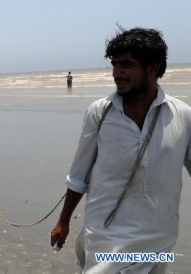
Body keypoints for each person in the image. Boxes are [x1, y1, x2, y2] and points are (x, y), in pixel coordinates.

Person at [50, 28, 191, 273]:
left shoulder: (182, 116)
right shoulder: (100, 113)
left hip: (159, 240)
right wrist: (64, 221)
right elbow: (79, 174)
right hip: (106, 237)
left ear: (152, 68)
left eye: (126, 65)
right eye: (114, 65)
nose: (117, 73)